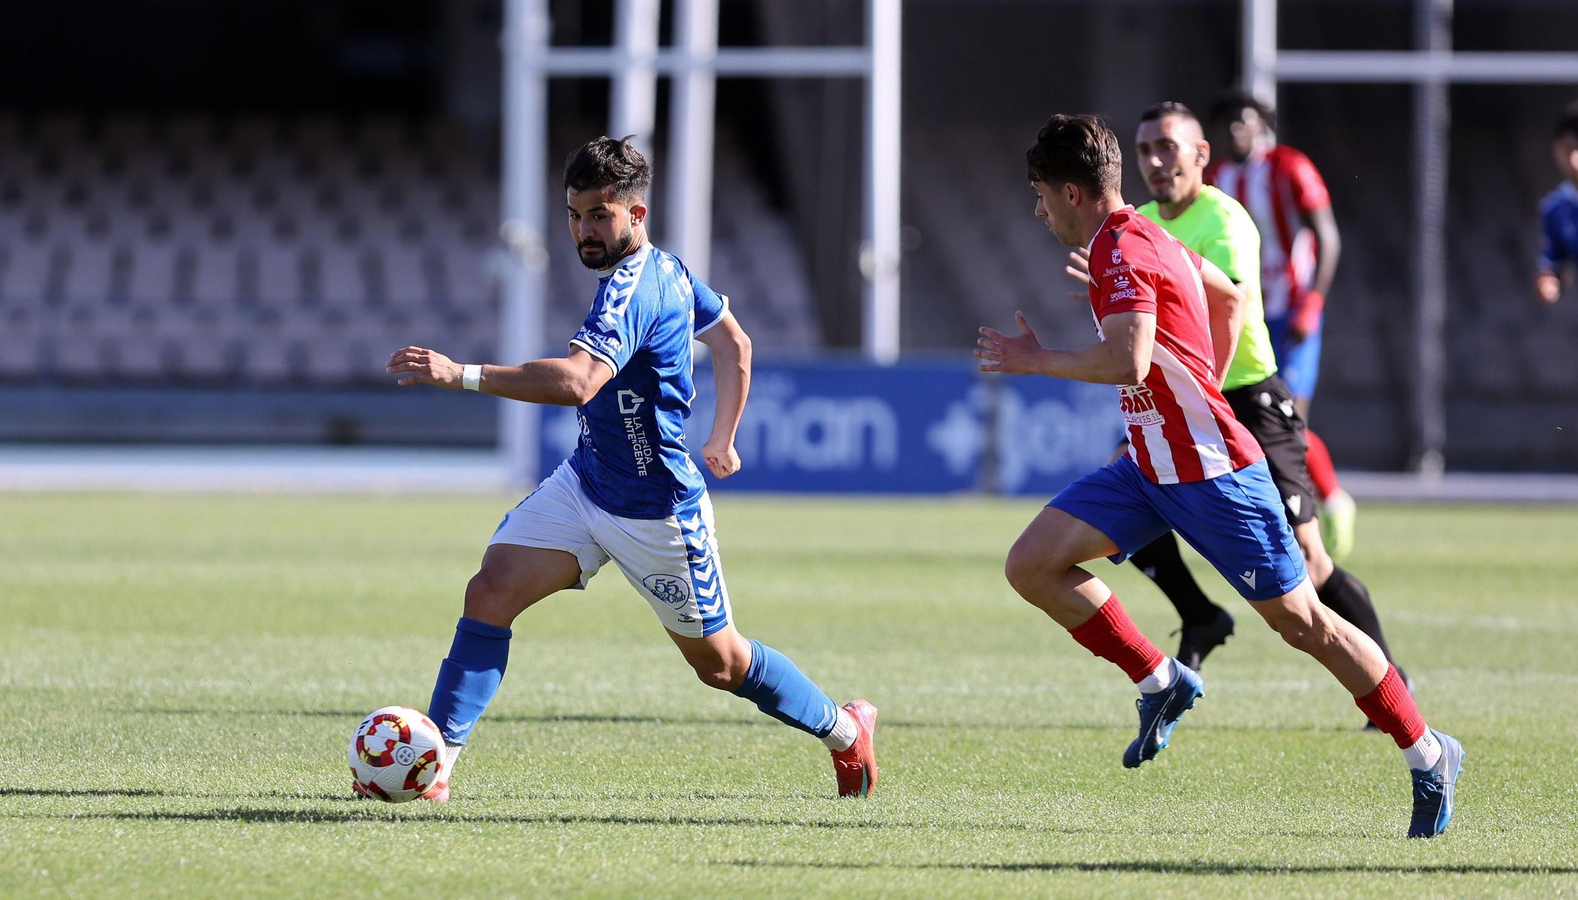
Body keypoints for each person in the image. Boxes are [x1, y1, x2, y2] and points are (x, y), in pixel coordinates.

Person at [975, 114, 1461, 838]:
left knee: (1306, 625)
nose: (1038, 210)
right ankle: (1161, 680)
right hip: (1148, 465)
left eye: (1041, 194)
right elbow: (1229, 298)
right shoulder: (1143, 234)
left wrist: (1037, 360)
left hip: (1214, 474)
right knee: (1031, 564)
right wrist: (1199, 380)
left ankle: (1428, 751)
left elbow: (1130, 360)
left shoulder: (1123, 248)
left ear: (1072, 192)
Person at [373, 136, 878, 802]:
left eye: (599, 215)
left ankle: (846, 730)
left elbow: (579, 381)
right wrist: (722, 437)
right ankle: (436, 765)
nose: (584, 230)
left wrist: (460, 373)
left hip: (655, 511)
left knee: (721, 664)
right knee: (491, 591)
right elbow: (733, 342)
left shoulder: (635, 289)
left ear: (636, 215)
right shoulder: (668, 272)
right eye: (574, 215)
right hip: (586, 484)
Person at [1059, 103, 1408, 715]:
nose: (1156, 161)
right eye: (1145, 150)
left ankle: (1393, 683)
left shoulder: (1225, 219)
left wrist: (1208, 395)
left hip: (1244, 396)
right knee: (1125, 497)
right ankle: (1199, 614)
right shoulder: (1136, 223)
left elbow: (1229, 302)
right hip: (1186, 406)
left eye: (1168, 147)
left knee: (1310, 564)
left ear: (1201, 155)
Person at [1207, 92, 1356, 562]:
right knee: (1252, 421)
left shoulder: (1290, 167)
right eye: (1228, 122)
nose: (1236, 129)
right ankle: (1305, 511)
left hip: (1292, 313)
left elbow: (1327, 237)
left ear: (1262, 125)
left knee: (1288, 419)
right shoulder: (1213, 179)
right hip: (1244, 314)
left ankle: (1325, 507)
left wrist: (1313, 302)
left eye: (1244, 121)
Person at [1536, 105, 1578, 304]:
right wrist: (1548, 282)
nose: (1574, 159)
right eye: (1569, 149)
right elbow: (1553, 266)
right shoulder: (1555, 208)